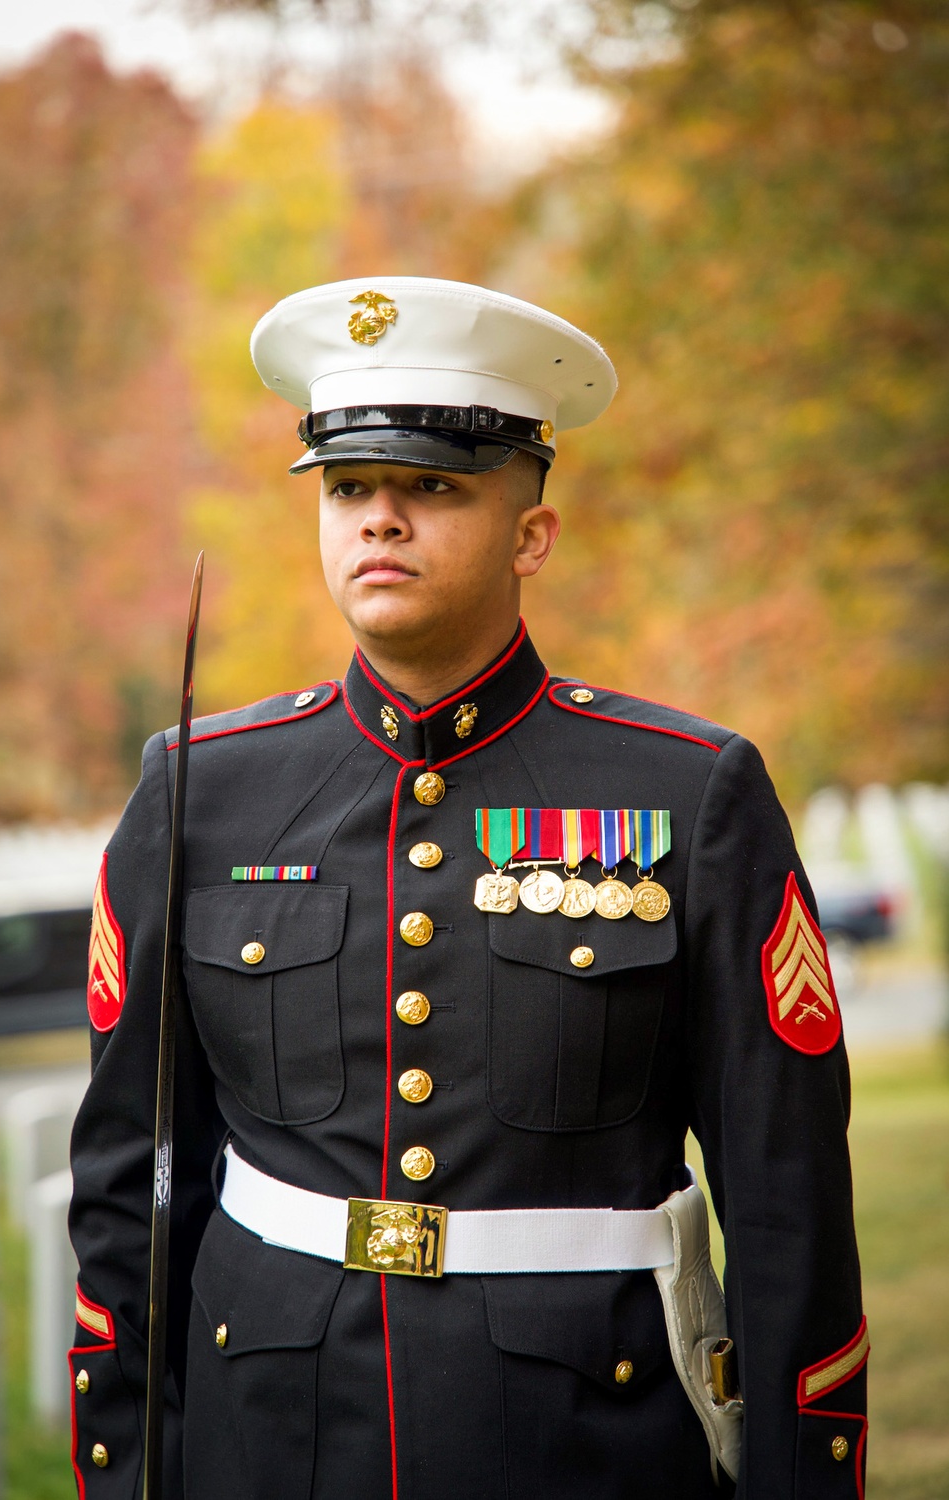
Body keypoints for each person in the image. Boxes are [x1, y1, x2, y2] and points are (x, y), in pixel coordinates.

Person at [69, 277, 867, 1500]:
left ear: (530, 535)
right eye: (349, 491)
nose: (378, 521)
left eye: (431, 488)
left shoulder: (690, 792)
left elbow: (785, 1201)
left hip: (587, 1444)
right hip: (269, 1436)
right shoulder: (199, 792)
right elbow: (132, 1184)